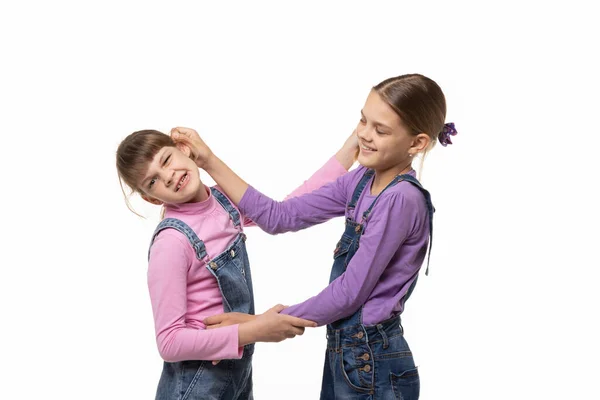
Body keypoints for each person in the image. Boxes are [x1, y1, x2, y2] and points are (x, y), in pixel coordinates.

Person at [171, 73, 457, 399]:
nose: (364, 134)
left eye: (380, 130)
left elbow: (351, 292)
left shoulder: (400, 199)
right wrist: (208, 159)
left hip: (373, 359)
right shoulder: (361, 181)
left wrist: (262, 325)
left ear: (417, 143)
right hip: (347, 353)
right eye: (362, 121)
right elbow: (279, 217)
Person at [115, 128, 359, 399]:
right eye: (153, 182)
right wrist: (254, 329)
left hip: (236, 376)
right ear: (151, 198)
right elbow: (169, 342)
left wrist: (349, 151)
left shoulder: (224, 200)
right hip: (196, 385)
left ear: (183, 149)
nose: (169, 176)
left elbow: (287, 209)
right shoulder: (171, 242)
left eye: (166, 159)